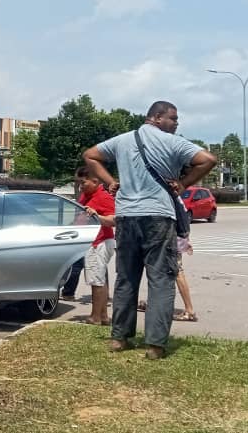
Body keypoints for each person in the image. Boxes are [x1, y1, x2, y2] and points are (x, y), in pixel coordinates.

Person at [82, 101, 217, 360]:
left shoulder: (122, 140)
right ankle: (155, 344)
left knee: (126, 278)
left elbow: (90, 155)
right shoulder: (172, 142)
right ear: (156, 117)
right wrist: (183, 183)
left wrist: (111, 182)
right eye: (173, 118)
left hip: (127, 217)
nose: (176, 124)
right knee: (162, 280)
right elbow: (208, 159)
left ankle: (119, 338)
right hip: (158, 216)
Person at [75, 166, 116, 325]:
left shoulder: (103, 197)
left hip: (100, 242)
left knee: (96, 281)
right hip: (92, 242)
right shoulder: (86, 195)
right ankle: (103, 316)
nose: (81, 186)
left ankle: (95, 317)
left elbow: (113, 220)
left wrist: (97, 216)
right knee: (99, 280)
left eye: (83, 182)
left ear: (95, 180)